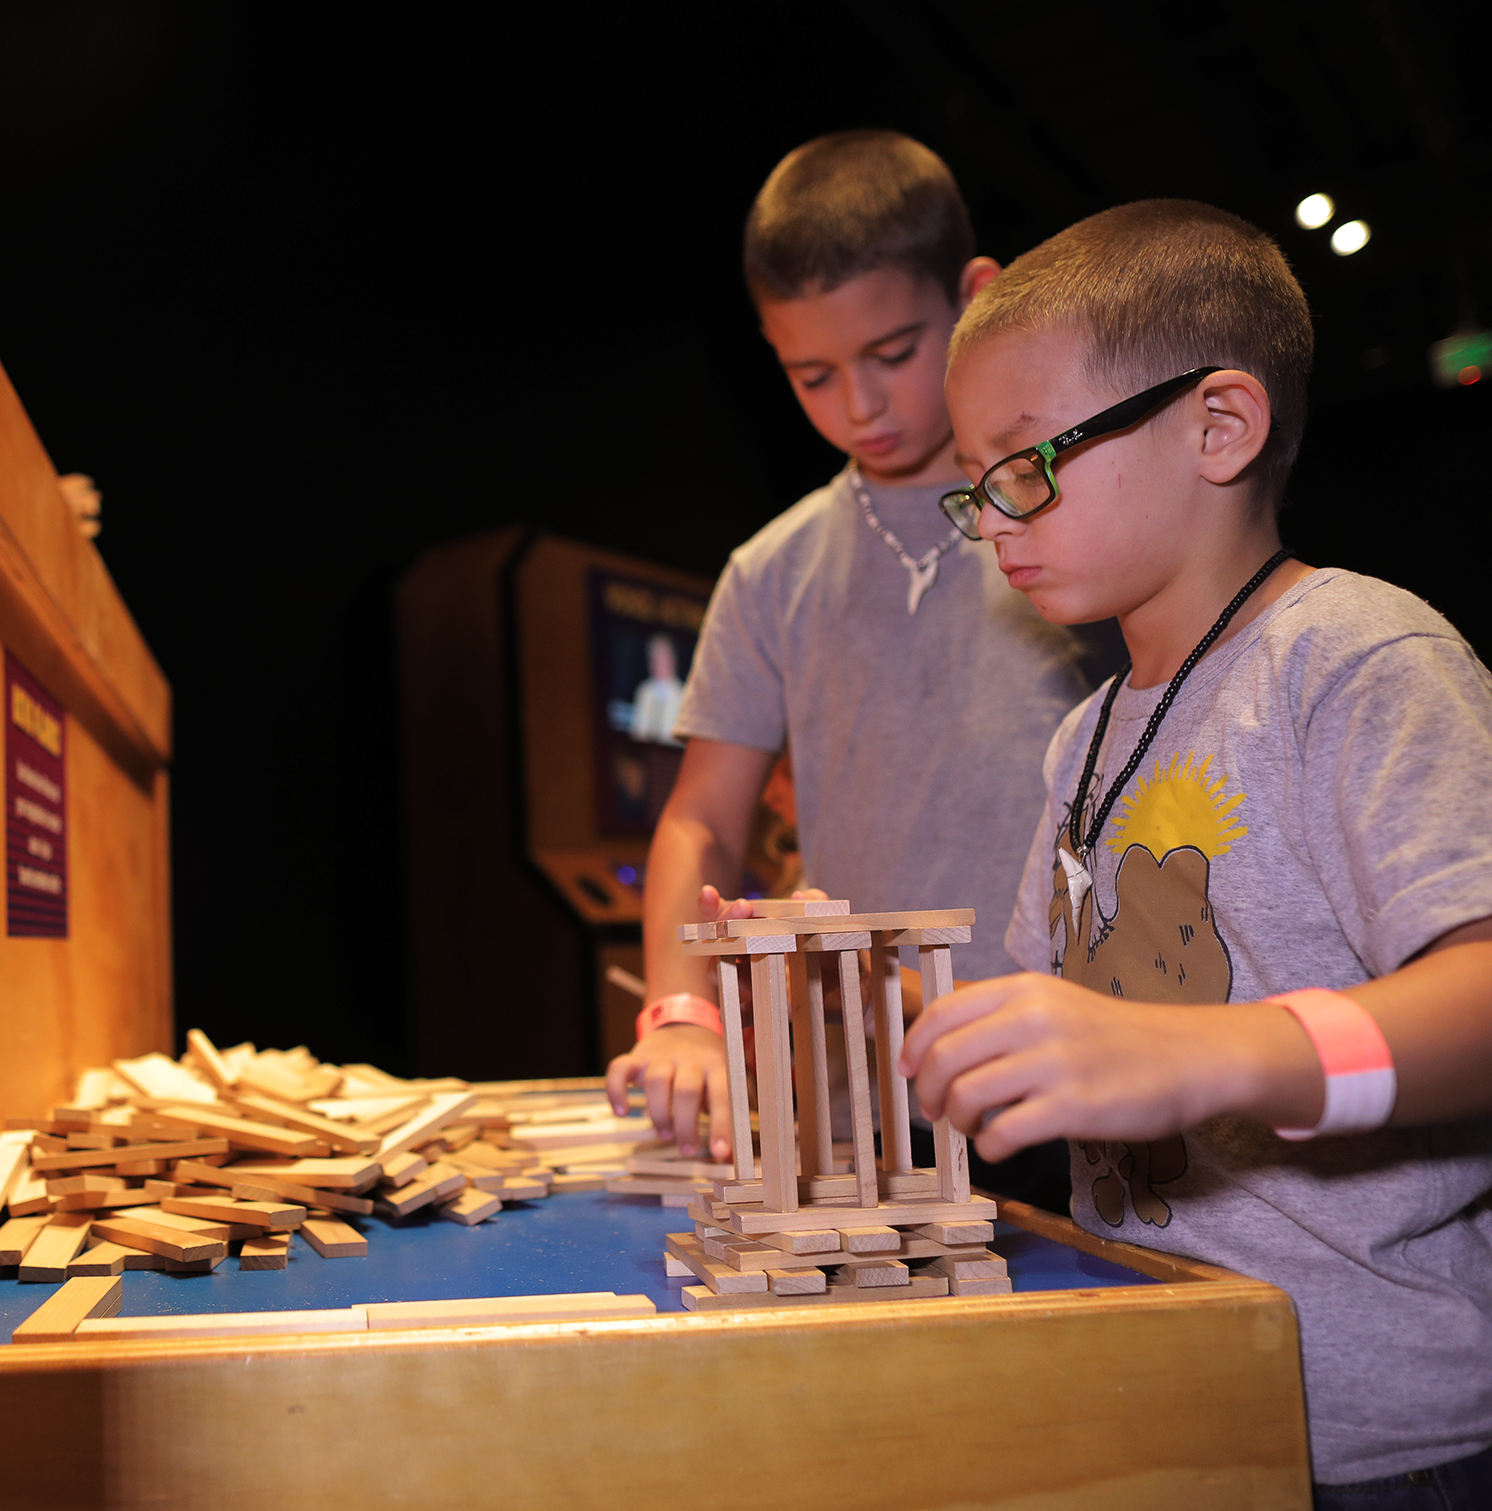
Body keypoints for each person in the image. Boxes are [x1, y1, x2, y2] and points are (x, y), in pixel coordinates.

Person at [905, 198, 1492, 1503]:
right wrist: (817, 991)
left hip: (1372, 1441)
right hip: (1170, 1392)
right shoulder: (1086, 738)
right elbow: (1043, 1019)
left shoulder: (1356, 660)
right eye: (977, 483)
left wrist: (1202, 1054)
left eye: (1027, 462)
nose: (995, 519)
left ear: (1219, 424)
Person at [605, 129, 1095, 1216]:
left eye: (893, 351)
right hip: (874, 1087)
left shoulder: (1080, 518)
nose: (859, 405)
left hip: (1081, 1074)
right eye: (812, 375)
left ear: (978, 294)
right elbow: (700, 820)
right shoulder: (772, 571)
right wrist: (682, 1015)